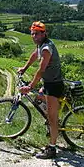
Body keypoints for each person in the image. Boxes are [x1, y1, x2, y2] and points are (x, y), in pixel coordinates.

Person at [17, 21, 64, 159]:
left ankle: (52, 148)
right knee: (39, 98)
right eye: (32, 33)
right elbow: (33, 55)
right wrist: (24, 68)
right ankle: (52, 119)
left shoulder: (46, 48)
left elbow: (41, 69)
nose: (34, 36)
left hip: (54, 84)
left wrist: (30, 86)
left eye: (37, 33)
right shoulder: (40, 45)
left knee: (52, 118)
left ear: (44, 33)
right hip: (49, 82)